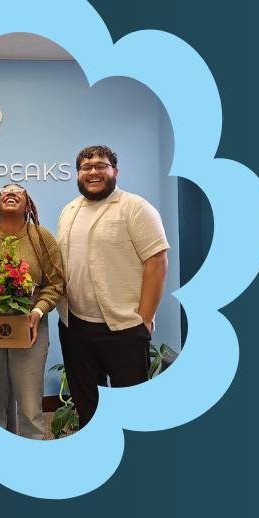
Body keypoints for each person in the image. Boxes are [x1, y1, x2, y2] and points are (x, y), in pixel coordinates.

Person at [56, 145, 169, 428]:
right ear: (78, 174)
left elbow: (157, 262)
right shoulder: (69, 210)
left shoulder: (135, 208)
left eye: (101, 166)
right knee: (87, 405)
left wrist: (143, 319)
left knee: (131, 409)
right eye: (86, 167)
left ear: (115, 171)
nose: (93, 172)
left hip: (123, 327)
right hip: (75, 326)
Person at [0, 183, 65, 439]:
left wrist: (38, 311)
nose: (11, 193)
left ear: (28, 204)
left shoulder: (41, 237)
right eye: (5, 190)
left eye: (18, 191)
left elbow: (56, 283)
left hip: (30, 330)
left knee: (30, 408)